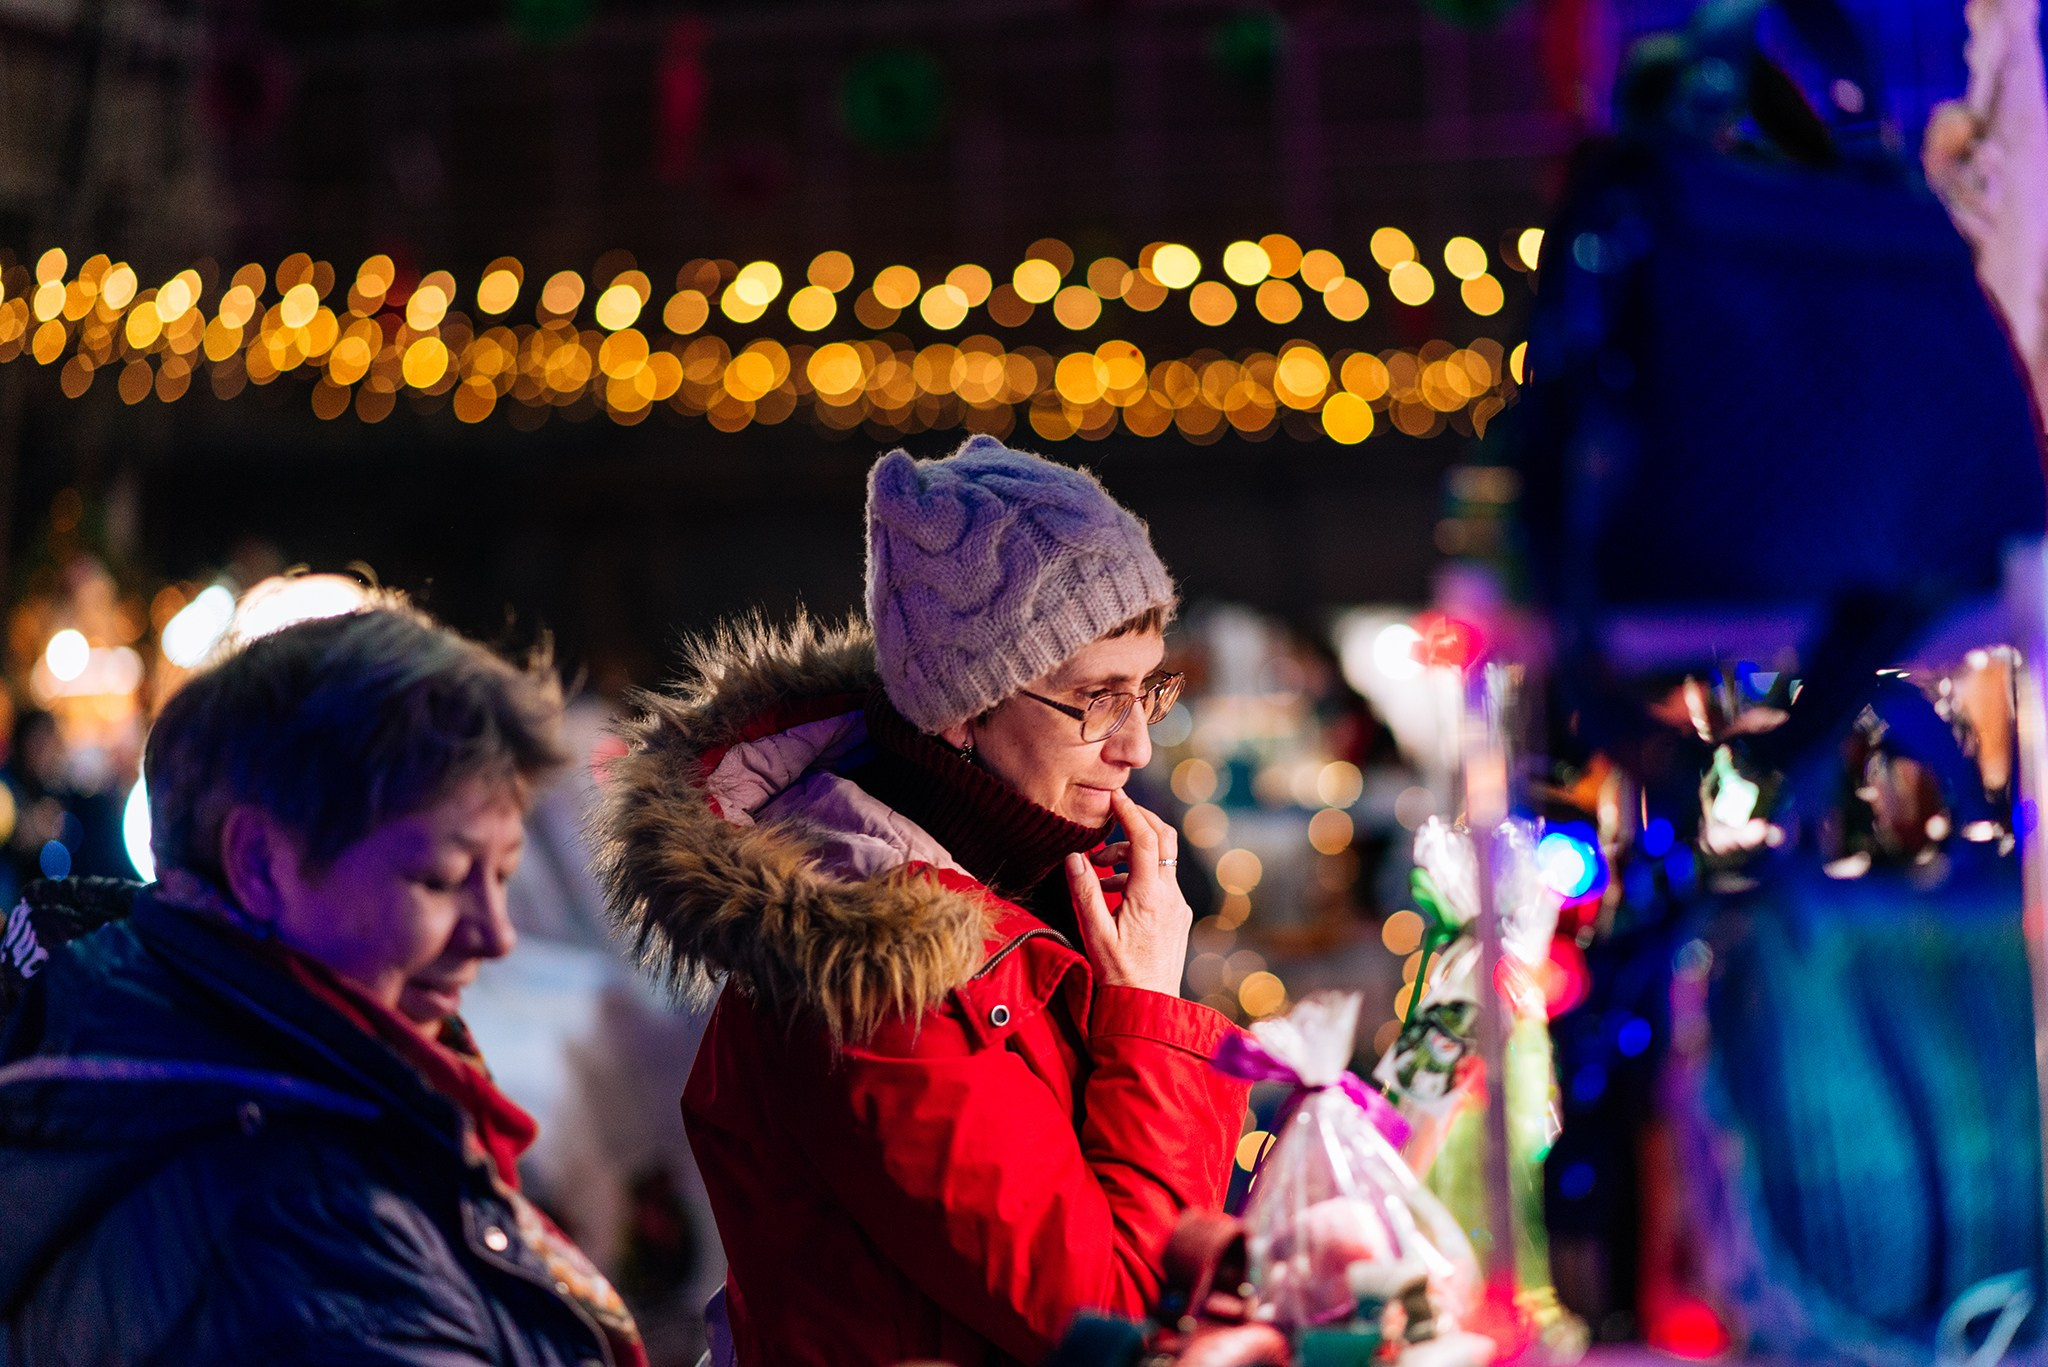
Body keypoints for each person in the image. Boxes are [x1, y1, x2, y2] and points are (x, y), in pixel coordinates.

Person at [596, 435, 1251, 1367]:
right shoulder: (871, 974)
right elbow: (1118, 1329)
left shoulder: (1039, 891)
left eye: (1150, 690)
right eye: (1099, 699)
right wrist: (1146, 1015)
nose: (1138, 746)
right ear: (962, 705)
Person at [0, 600, 648, 1367]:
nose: (494, 932)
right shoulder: (313, 1244)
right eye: (440, 879)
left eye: (502, 874)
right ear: (261, 863)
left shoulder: (221, 1081)